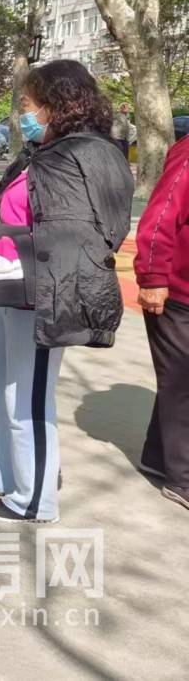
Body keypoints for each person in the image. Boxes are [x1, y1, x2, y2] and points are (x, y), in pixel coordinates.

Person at [0, 59, 133, 524]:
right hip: (8, 288)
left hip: (44, 293)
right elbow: (4, 215)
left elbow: (74, 237)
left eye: (28, 104)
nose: (23, 114)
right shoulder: (42, 153)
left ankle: (34, 500)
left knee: (26, 396)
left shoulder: (83, 157)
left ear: (55, 104)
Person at [134, 131, 189, 511]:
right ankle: (182, 479)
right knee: (182, 382)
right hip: (176, 292)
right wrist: (152, 277)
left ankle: (157, 457)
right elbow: (161, 215)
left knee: (178, 379)